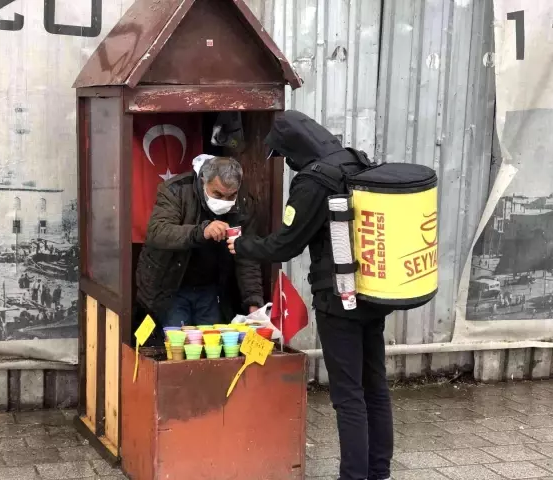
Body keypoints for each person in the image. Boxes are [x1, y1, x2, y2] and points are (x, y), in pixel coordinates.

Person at [227, 111, 393, 480]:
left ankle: (353, 476)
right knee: (375, 387)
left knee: (348, 395)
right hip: (372, 292)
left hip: (337, 299)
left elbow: (286, 244)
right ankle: (379, 472)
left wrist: (243, 245)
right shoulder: (353, 160)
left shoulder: (312, 181)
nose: (286, 164)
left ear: (294, 150)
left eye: (284, 156)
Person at [135, 155, 264, 331]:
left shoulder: (243, 203)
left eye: (231, 195)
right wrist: (201, 231)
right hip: (171, 286)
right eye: (217, 194)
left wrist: (253, 302)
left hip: (210, 289)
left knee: (212, 345)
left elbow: (247, 255)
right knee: (176, 345)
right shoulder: (176, 190)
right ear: (203, 180)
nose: (225, 202)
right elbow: (158, 232)